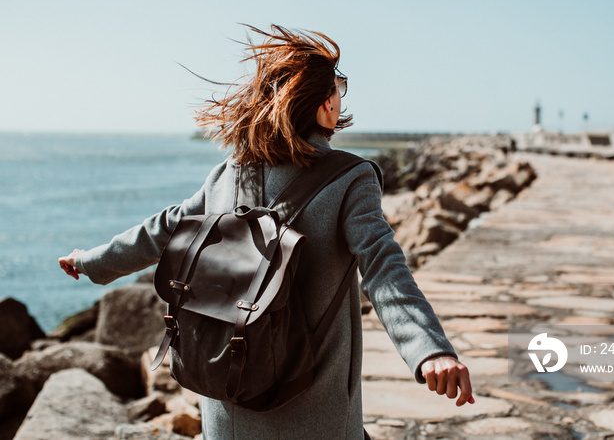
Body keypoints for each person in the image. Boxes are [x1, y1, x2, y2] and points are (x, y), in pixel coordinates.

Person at [59, 24, 475, 439]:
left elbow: (162, 229)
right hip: (315, 414)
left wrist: (90, 261)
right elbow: (382, 266)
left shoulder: (226, 175)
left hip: (228, 405)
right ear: (321, 103)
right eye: (338, 86)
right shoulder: (351, 178)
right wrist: (428, 349)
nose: (340, 96)